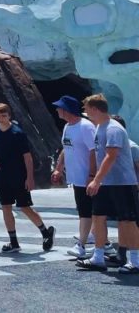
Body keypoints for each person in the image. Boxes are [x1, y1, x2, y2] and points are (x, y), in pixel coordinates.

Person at [0, 103, 55, 254]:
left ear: (9, 115)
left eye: (4, 115)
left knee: (24, 207)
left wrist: (29, 178)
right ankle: (14, 242)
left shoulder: (17, 133)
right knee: (6, 207)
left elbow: (27, 157)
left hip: (18, 175)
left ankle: (45, 232)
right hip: (2, 176)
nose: (1, 119)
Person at [78, 96, 139, 273]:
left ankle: (135, 260)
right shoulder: (100, 128)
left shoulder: (114, 129)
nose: (87, 113)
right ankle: (98, 257)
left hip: (121, 182)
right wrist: (97, 179)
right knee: (98, 216)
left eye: (88, 110)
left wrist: (96, 179)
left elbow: (111, 156)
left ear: (96, 109)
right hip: (105, 182)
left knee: (127, 220)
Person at [50, 95, 96, 258]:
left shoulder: (86, 127)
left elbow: (93, 151)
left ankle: (81, 245)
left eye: (59, 107)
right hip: (77, 178)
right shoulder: (68, 127)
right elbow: (65, 147)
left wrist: (92, 175)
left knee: (86, 211)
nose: (57, 110)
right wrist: (58, 168)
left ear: (67, 110)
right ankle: (101, 242)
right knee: (86, 210)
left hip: (87, 178)